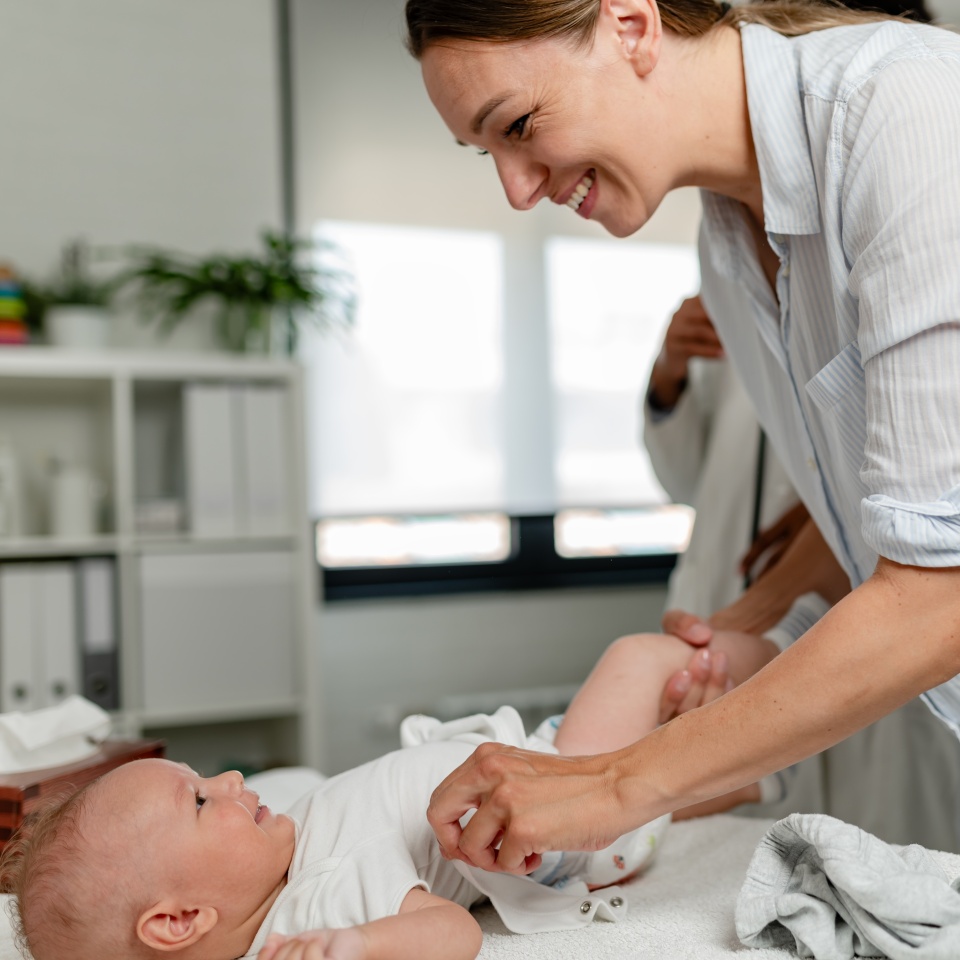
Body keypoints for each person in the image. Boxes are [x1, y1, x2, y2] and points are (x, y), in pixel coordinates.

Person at [404, 0, 960, 875]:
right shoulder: (728, 248)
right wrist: (737, 635)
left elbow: (941, 591)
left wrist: (616, 782)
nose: (516, 191)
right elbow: (895, 525)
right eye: (489, 155)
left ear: (631, 26)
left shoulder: (908, 109)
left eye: (517, 126)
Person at [0, 620, 804, 960]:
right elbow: (453, 935)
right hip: (563, 815)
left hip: (538, 761)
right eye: (202, 800)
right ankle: (800, 649)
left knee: (660, 732)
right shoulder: (317, 911)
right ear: (179, 919)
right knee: (641, 659)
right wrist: (360, 947)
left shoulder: (275, 858)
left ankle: (727, 783)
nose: (232, 778)